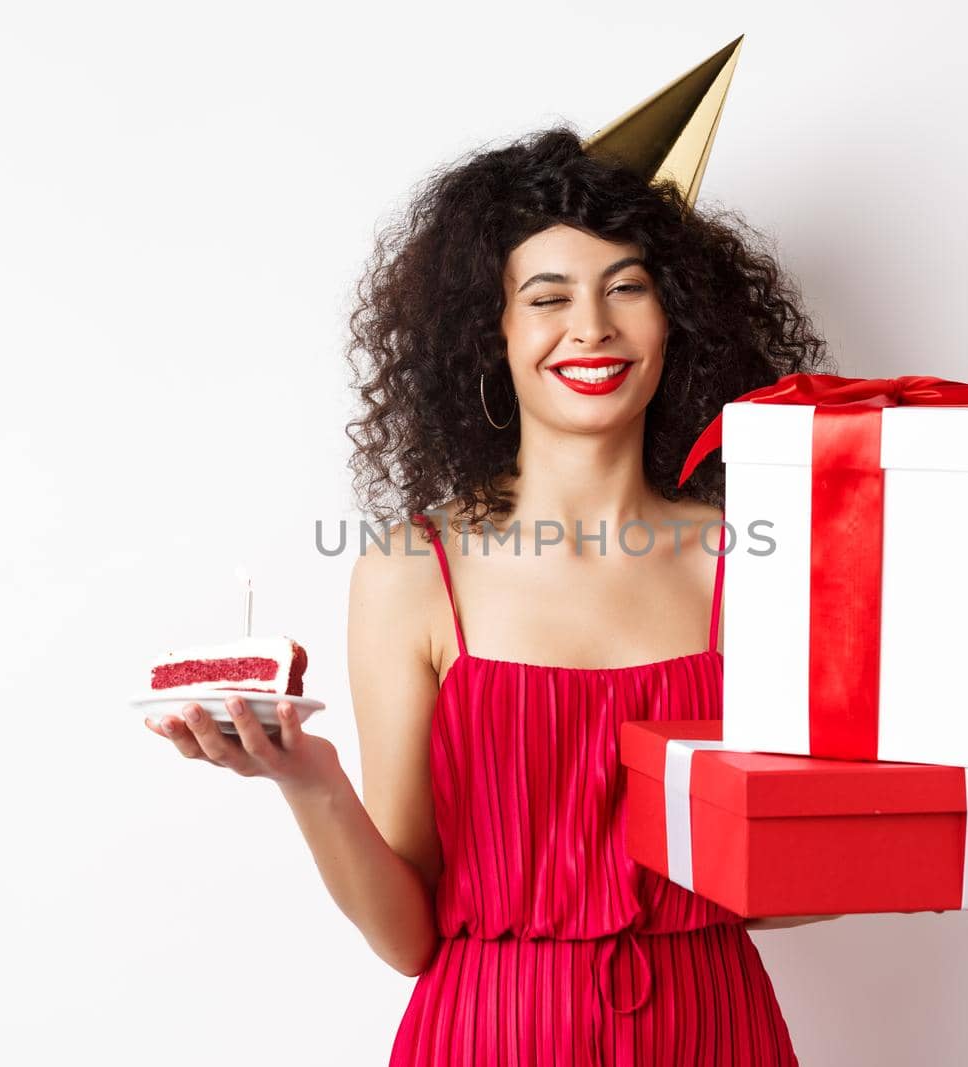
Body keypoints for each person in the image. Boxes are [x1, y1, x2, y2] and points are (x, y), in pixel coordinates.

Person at [144, 127, 838, 1064]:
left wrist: (939, 841)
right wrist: (305, 774)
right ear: (493, 332)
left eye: (626, 288)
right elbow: (407, 937)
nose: (591, 326)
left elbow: (770, 885)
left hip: (714, 1029)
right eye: (547, 297)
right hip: (490, 1034)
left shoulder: (756, 563)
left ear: (677, 318)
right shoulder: (410, 571)